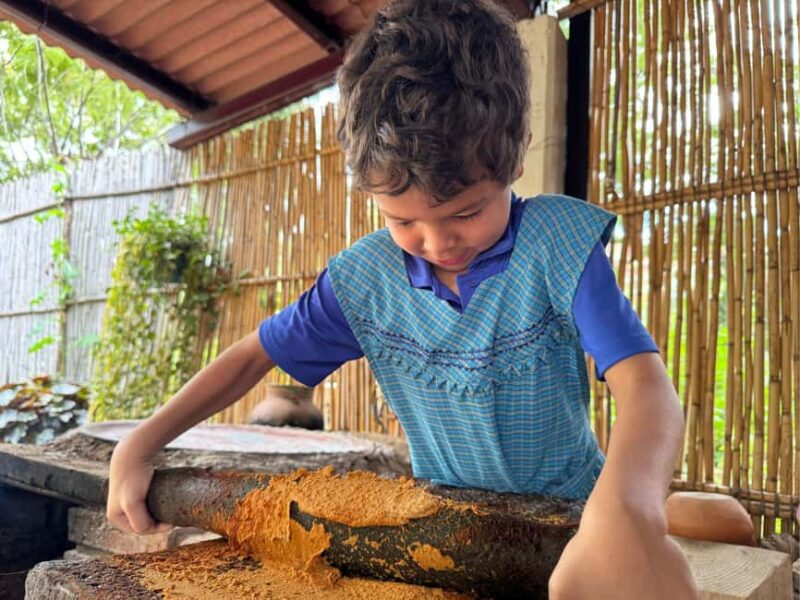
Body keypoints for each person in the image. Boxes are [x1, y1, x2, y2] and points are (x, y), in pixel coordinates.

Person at [107, 1, 698, 597]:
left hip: (574, 514)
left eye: (467, 211)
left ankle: (663, 512)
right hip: (454, 536)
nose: (438, 242)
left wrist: (627, 513)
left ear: (514, 158)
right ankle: (677, 513)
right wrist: (140, 443)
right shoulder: (367, 283)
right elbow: (252, 355)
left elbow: (649, 390)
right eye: (403, 219)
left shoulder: (555, 245)